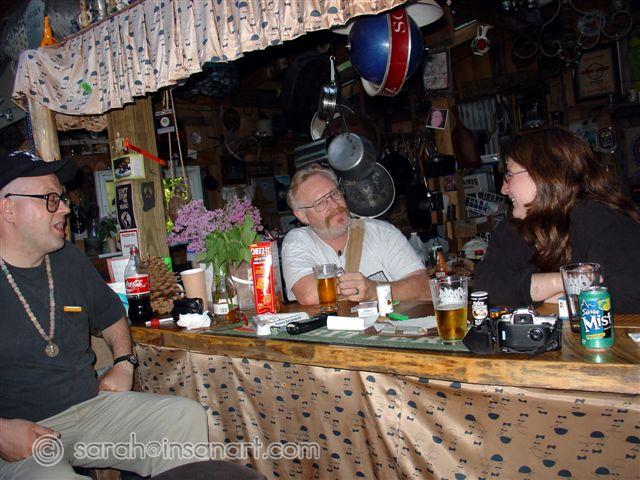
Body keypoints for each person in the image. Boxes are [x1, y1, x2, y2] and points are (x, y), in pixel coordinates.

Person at [0, 151, 263, 480]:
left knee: (182, 417)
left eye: (62, 198)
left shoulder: (67, 259)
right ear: (8, 209)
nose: (64, 208)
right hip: (19, 434)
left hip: (90, 411)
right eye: (50, 199)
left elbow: (112, 313)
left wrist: (124, 362)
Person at [474, 128, 640, 312]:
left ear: (544, 173)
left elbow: (629, 297)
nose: (504, 189)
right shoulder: (516, 225)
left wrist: (549, 296)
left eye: (509, 175)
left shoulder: (604, 221)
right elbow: (484, 285)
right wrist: (562, 282)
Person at [282, 164, 428, 304]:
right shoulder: (298, 241)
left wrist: (374, 290)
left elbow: (425, 288)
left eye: (335, 194)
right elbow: (309, 295)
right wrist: (360, 289)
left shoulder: (383, 233)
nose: (335, 205)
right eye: (320, 203)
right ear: (302, 216)